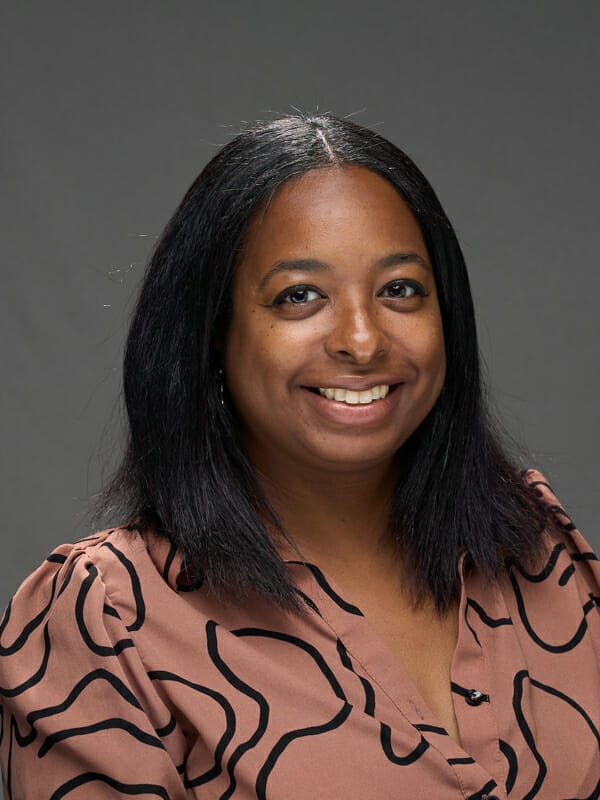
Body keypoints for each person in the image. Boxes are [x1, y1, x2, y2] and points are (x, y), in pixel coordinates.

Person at [1, 114, 598, 799]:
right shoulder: (108, 616)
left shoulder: (535, 547)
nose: (363, 339)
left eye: (400, 288)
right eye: (299, 296)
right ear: (211, 337)